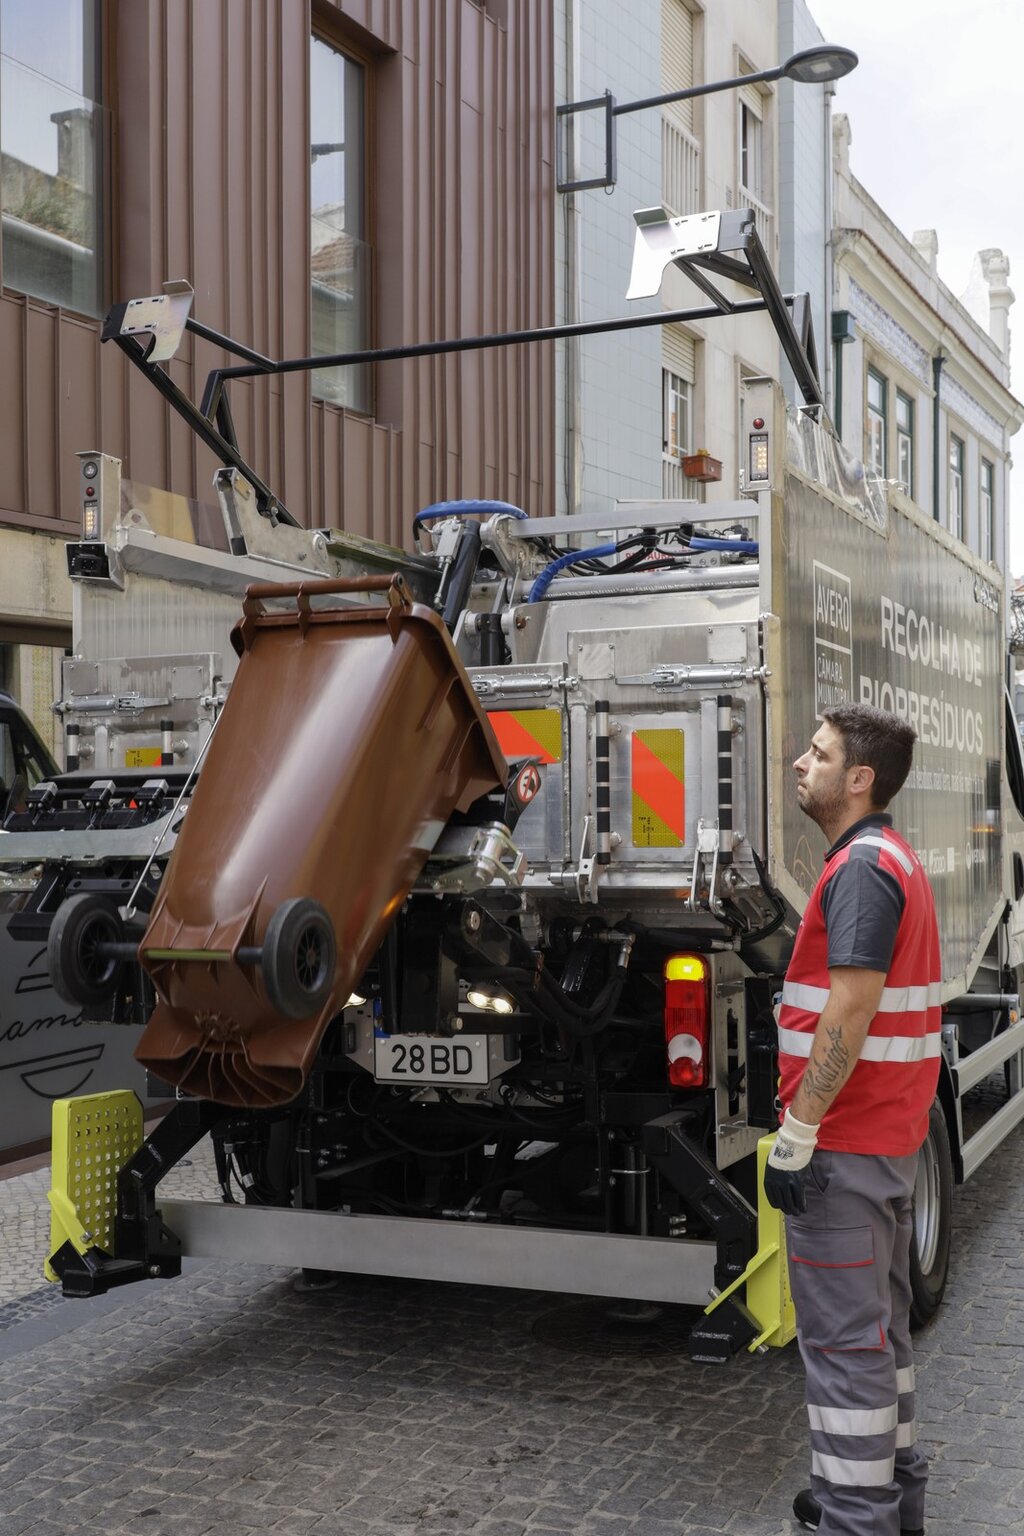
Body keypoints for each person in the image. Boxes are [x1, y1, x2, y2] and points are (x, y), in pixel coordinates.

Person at [764, 702, 941, 1536]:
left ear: (860, 779)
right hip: (886, 1143)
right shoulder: (892, 857)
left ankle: (855, 1518)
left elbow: (853, 1004)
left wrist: (797, 1134)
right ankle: (893, 1502)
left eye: (820, 753)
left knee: (843, 1352)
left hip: (843, 1146)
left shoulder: (863, 867)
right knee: (880, 1339)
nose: (802, 764)